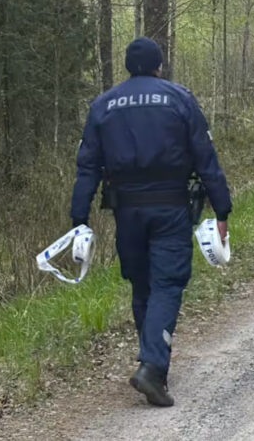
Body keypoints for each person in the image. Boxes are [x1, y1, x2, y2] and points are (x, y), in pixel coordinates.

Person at [70, 37, 232, 407]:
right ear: (159, 64)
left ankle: (151, 358)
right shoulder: (179, 98)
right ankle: (153, 366)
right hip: (170, 207)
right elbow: (206, 158)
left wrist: (79, 218)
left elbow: (87, 166)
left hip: (127, 211)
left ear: (128, 65)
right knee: (168, 282)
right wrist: (221, 210)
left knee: (142, 284)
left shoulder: (103, 104)